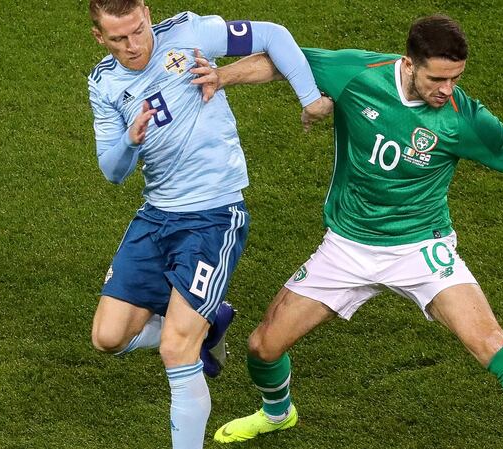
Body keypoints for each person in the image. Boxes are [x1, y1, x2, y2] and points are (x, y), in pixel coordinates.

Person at [205, 15, 503, 449]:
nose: (447, 90)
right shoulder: (359, 74)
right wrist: (220, 76)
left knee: (491, 344)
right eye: (438, 79)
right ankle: (278, 414)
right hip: (346, 248)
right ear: (408, 64)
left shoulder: (464, 118)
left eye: (456, 78)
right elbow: (282, 59)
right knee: (263, 346)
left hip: (421, 250)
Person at [86, 1, 330, 447]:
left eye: (139, 31)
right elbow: (112, 171)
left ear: (146, 13)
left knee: (175, 349)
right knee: (108, 338)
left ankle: (192, 334)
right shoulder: (104, 83)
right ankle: (209, 320)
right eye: (119, 39)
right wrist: (129, 140)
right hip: (156, 215)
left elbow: (273, 34)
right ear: (100, 37)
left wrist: (310, 98)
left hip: (213, 216)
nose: (134, 45)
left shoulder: (189, 32)